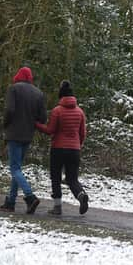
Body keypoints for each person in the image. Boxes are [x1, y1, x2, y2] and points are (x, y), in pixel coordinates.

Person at [36, 80, 89, 215]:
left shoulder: (57, 111)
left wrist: (36, 125)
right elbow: (82, 133)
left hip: (58, 149)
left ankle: (57, 207)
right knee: (72, 179)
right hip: (74, 150)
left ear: (61, 96)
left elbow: (50, 130)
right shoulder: (80, 112)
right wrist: (78, 145)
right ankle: (81, 195)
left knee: (56, 177)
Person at [0, 66, 47, 214]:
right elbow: (43, 118)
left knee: (14, 168)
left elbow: (9, 110)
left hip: (14, 133)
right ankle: (10, 203)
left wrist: (5, 124)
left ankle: (30, 196)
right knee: (17, 168)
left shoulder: (13, 89)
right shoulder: (38, 93)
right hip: (28, 135)